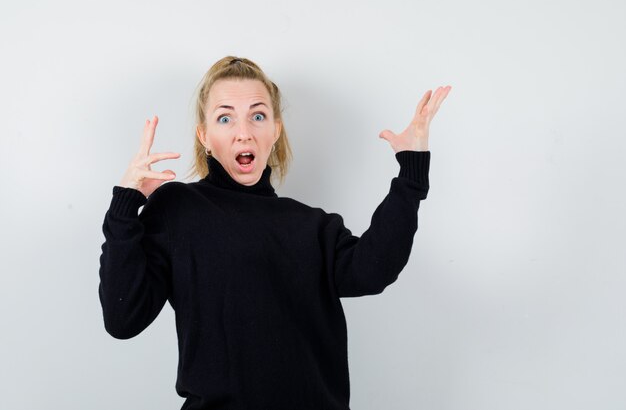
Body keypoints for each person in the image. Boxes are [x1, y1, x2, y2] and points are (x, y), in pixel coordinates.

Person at [98, 55, 451, 410]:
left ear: (275, 130)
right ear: (204, 136)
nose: (244, 132)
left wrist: (411, 173)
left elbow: (372, 271)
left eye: (258, 115)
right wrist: (125, 205)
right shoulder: (177, 208)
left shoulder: (312, 225)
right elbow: (123, 317)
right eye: (225, 118)